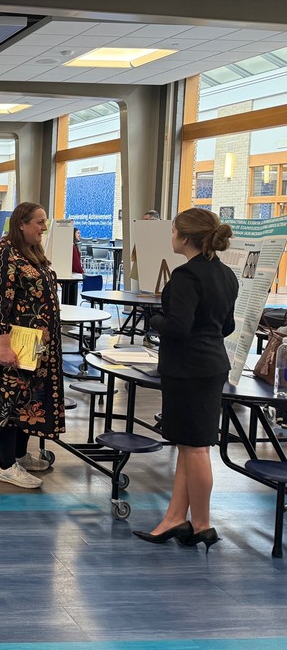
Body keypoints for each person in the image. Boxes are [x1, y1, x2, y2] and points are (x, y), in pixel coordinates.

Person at [133, 208, 237, 551]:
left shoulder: (186, 276)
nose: (171, 235)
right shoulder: (225, 275)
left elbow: (177, 326)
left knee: (195, 449)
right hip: (211, 365)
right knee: (189, 445)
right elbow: (227, 327)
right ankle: (175, 517)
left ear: (185, 237)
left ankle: (203, 523)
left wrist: (153, 319)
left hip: (188, 369)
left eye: (173, 230)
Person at [0, 201, 64, 488]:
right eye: (39, 222)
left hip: (35, 346)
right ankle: (6, 465)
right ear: (21, 223)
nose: (44, 227)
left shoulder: (30, 252)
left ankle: (19, 455)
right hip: (10, 344)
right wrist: (4, 345)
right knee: (5, 401)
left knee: (27, 400)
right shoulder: (3, 253)